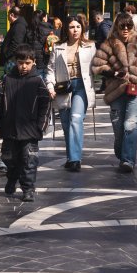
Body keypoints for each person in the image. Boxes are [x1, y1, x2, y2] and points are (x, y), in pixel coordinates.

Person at [0, 48, 51, 202]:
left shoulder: (38, 81)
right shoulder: (7, 79)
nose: (24, 66)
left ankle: (28, 188)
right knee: (9, 158)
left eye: (27, 63)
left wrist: (41, 126)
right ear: (15, 62)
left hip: (30, 130)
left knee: (29, 160)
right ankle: (12, 177)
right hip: (9, 128)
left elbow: (45, 104)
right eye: (21, 63)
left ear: (33, 62)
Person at [92, 15, 137, 173]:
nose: (125, 29)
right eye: (122, 26)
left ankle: (128, 160)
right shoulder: (108, 44)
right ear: (116, 27)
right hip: (116, 90)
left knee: (130, 124)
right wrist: (113, 73)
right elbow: (97, 66)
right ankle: (122, 153)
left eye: (128, 26)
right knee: (118, 129)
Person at [48, 14, 95, 172]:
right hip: (63, 87)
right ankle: (71, 156)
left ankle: (75, 159)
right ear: (66, 29)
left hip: (81, 85)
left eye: (78, 27)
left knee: (76, 119)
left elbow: (98, 65)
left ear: (82, 28)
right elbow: (50, 69)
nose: (75, 30)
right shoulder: (58, 47)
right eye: (71, 27)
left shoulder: (90, 46)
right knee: (67, 124)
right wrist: (49, 86)